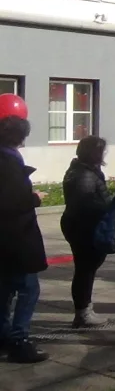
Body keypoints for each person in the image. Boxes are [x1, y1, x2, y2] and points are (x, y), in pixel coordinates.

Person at [0, 116, 48, 363]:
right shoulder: (8, 161)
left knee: (6, 287)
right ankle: (19, 339)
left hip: (8, 239)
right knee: (28, 288)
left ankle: (4, 335)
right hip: (15, 237)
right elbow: (10, 202)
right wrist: (34, 198)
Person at [61, 136, 114, 329]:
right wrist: (110, 206)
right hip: (83, 227)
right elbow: (86, 203)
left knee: (86, 268)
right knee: (85, 269)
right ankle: (83, 312)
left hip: (80, 224)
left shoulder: (84, 170)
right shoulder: (83, 174)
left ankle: (84, 310)